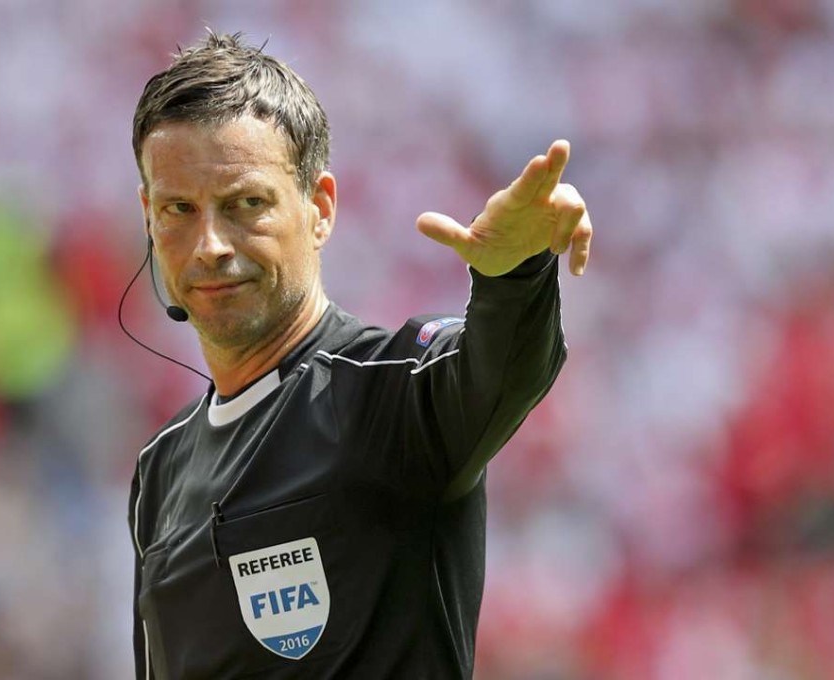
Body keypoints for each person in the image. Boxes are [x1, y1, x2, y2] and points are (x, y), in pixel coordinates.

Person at [128, 31, 592, 680]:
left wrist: (515, 273)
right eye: (180, 208)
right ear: (149, 214)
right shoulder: (161, 468)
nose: (210, 245)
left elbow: (503, 372)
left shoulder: (389, 393)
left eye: (245, 205)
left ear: (318, 209)